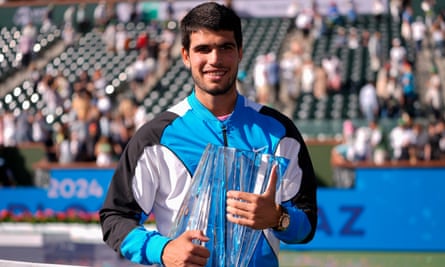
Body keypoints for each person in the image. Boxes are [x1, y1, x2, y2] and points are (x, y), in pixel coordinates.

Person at [99, 2, 317, 267]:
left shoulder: (279, 131)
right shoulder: (157, 136)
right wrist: (163, 250)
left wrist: (279, 218)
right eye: (203, 49)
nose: (215, 59)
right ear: (185, 55)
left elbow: (307, 224)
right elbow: (115, 218)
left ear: (240, 52)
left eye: (225, 47)